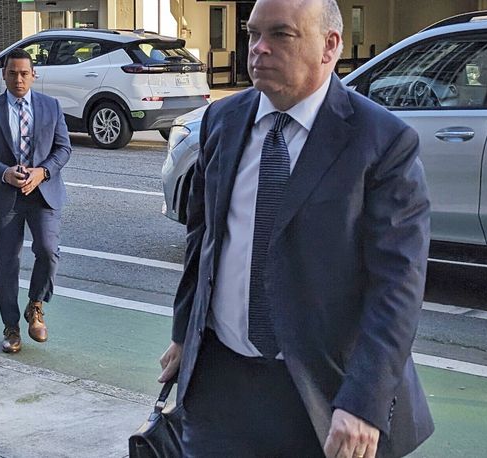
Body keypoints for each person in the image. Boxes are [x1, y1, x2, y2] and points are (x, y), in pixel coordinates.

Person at [157, 0, 434, 456]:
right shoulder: (222, 121)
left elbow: (397, 286)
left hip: (322, 396)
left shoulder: (381, 141)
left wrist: (364, 401)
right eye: (252, 34)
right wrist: (185, 332)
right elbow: (202, 239)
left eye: (281, 35)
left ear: (330, 46)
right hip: (220, 383)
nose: (258, 49)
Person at [0, 48, 71, 354]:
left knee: (48, 251)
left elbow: (63, 148)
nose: (18, 79)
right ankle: (11, 327)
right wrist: (4, 173)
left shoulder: (50, 106)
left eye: (24, 73)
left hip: (43, 194)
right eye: (12, 73)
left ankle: (35, 306)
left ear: (33, 75)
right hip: (5, 196)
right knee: (6, 262)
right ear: (4, 75)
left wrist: (43, 172)